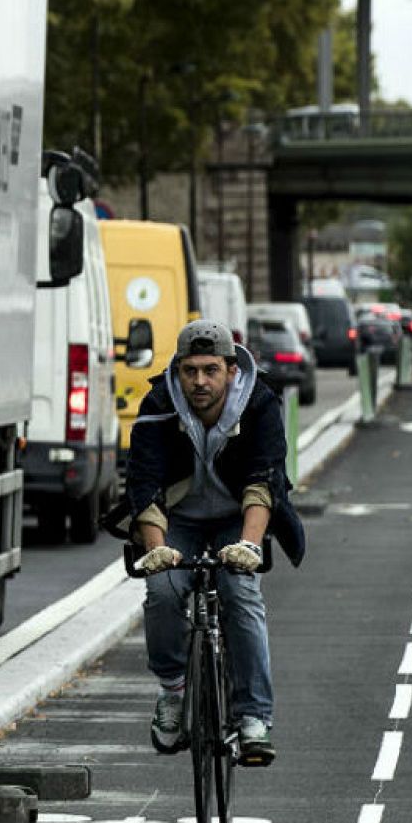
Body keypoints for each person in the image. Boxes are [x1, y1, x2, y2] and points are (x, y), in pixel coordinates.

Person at [105, 320, 306, 767]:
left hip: (237, 517)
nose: (199, 381)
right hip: (178, 518)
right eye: (190, 370)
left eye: (211, 370)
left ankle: (253, 717)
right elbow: (144, 484)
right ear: (177, 370)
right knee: (162, 590)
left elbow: (265, 481)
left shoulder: (259, 403)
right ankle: (173, 692)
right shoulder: (159, 404)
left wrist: (249, 546)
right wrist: (156, 550)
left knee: (240, 593)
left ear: (232, 370)